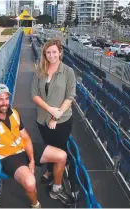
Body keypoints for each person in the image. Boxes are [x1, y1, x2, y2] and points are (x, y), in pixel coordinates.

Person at [0, 84, 74, 208]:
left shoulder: (14, 113)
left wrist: (31, 160)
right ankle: (35, 205)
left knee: (61, 155)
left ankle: (56, 190)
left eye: (6, 98)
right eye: (0, 99)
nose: (4, 103)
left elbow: (25, 137)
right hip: (9, 157)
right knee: (30, 182)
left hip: (23, 148)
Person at [30, 40, 77, 192]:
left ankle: (58, 182)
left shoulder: (68, 71)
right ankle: (50, 170)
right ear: (44, 54)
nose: (51, 55)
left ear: (60, 53)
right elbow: (34, 95)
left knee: (60, 150)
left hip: (62, 120)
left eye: (54, 52)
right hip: (42, 119)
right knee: (48, 148)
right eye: (48, 52)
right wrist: (50, 110)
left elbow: (70, 97)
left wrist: (56, 116)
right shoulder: (39, 71)